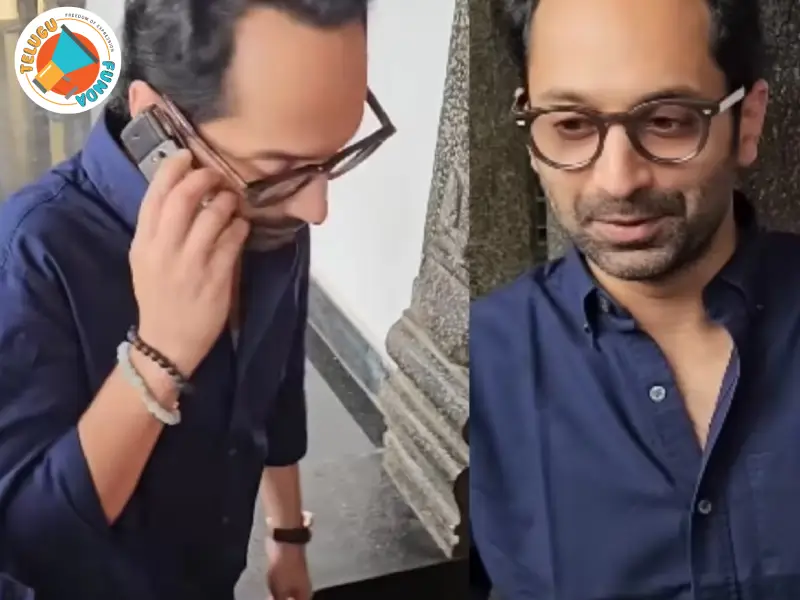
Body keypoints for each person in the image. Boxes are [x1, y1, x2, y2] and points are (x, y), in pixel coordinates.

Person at [0, 1, 394, 599]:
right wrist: (160, 352)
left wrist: (288, 536)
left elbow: (275, 390)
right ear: (155, 122)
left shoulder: (273, 210)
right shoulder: (32, 254)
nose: (315, 208)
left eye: (328, 160)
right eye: (281, 166)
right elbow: (27, 547)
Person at [468, 0, 800, 597]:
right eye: (571, 125)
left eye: (667, 121)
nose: (618, 180)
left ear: (747, 122)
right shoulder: (491, 358)